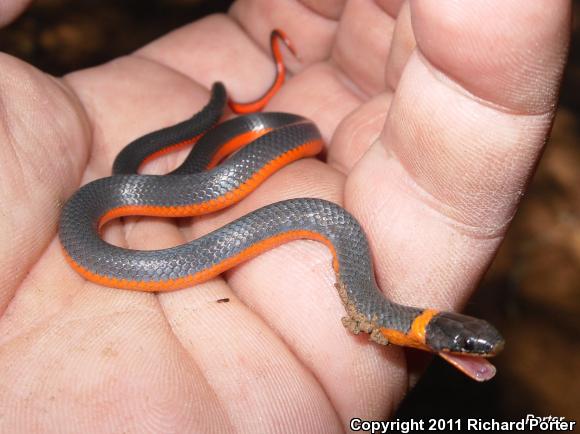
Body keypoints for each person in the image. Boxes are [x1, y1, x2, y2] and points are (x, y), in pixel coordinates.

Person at [0, 0, 570, 431]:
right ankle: (218, 115)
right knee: (181, 166)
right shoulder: (91, 214)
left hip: (277, 178)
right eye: (469, 343)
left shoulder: (356, 263)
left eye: (468, 342)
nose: (476, 347)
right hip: (115, 218)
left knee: (292, 140)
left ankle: (223, 121)